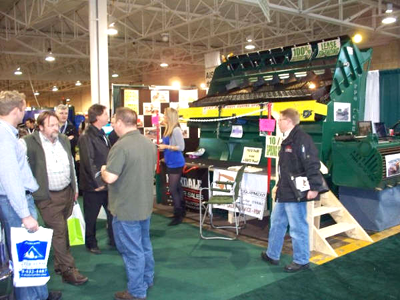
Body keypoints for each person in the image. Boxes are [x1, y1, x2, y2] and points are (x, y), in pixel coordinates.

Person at [0, 90, 61, 300]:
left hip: (15, 201)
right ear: (17, 110)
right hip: (14, 202)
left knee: (27, 254)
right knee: (24, 255)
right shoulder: (3, 135)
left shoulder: (8, 133)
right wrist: (25, 214)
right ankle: (30, 297)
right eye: (24, 109)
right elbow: (10, 178)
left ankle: (38, 294)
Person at [21, 111, 88, 286]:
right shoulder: (28, 143)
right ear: (41, 127)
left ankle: (59, 264)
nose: (55, 128)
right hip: (46, 197)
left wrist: (74, 186)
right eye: (51, 125)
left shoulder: (64, 140)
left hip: (66, 193)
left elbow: (71, 163)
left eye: (56, 124)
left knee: (63, 231)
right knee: (59, 232)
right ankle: (68, 270)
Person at [101, 107, 156, 300]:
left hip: (126, 208)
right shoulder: (148, 143)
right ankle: (147, 279)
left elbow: (110, 177)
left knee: (132, 252)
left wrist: (103, 169)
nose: (113, 125)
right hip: (144, 204)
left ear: (120, 122)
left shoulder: (121, 146)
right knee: (144, 245)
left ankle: (136, 291)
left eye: (114, 121)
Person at [261, 108, 323, 272]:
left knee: (297, 226)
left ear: (288, 121)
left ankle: (302, 260)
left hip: (295, 192)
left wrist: (315, 187)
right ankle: (272, 254)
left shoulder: (301, 139)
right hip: (285, 190)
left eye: (280, 120)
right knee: (277, 223)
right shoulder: (288, 139)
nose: (278, 122)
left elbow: (311, 163)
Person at [78, 104, 114, 254]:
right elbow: (89, 162)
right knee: (91, 217)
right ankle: (91, 243)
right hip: (94, 186)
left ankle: (114, 239)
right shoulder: (87, 136)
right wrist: (98, 183)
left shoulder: (102, 133)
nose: (108, 117)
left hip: (106, 183)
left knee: (112, 213)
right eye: (106, 114)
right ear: (98, 117)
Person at [157, 107, 186, 226]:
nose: (163, 118)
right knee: (177, 187)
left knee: (173, 188)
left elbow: (181, 147)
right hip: (170, 162)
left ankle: (178, 214)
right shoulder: (168, 129)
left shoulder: (176, 130)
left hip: (176, 163)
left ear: (170, 117)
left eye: (165, 116)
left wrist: (166, 147)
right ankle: (180, 211)